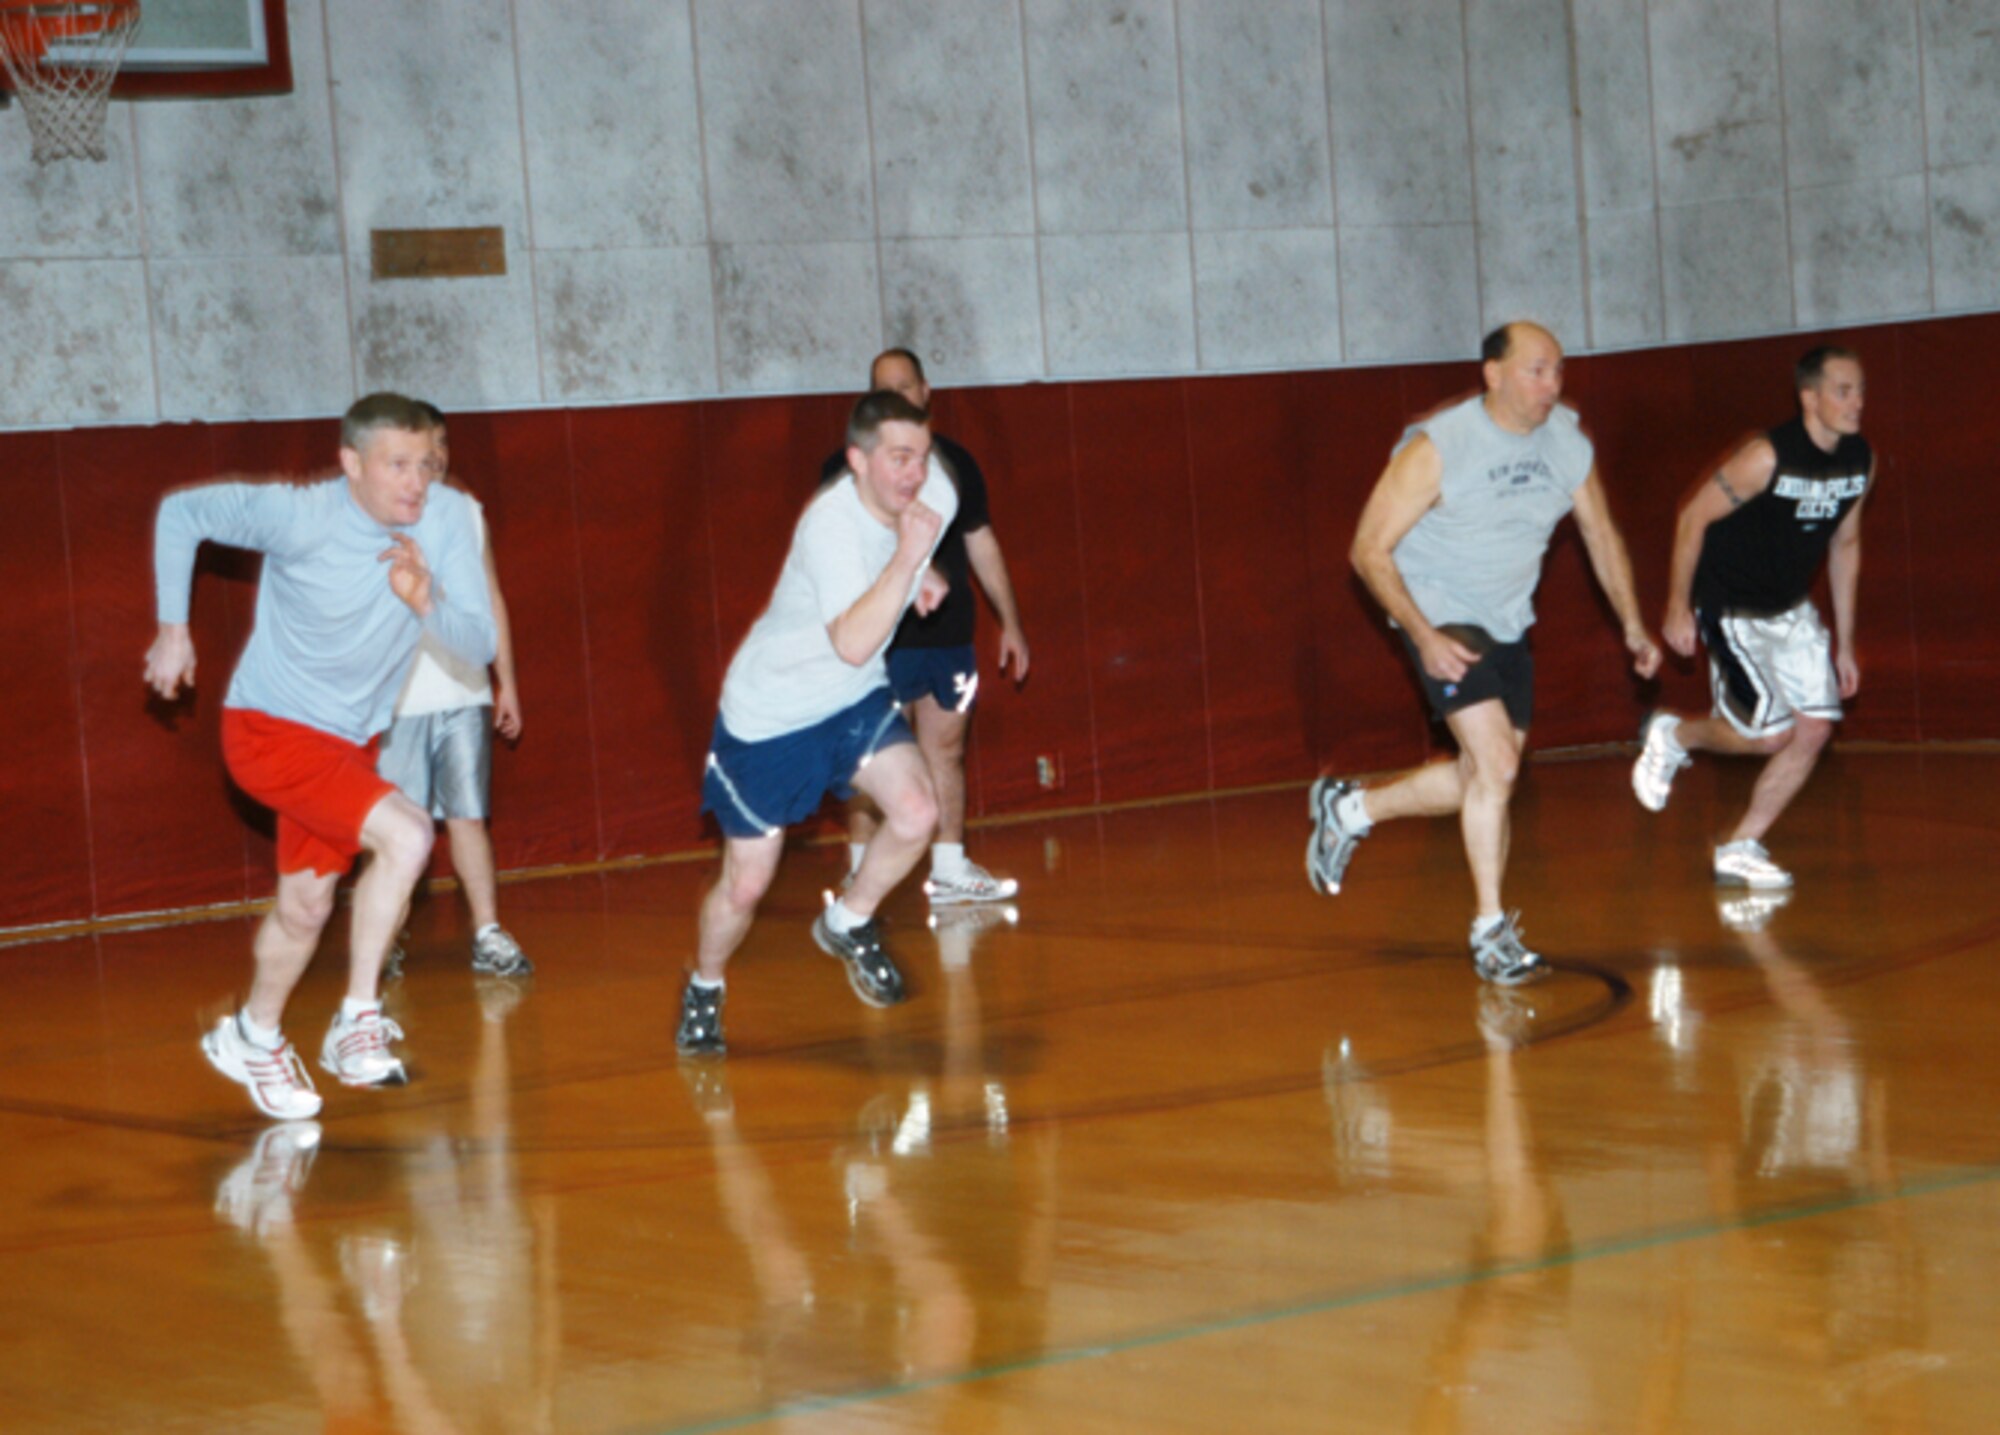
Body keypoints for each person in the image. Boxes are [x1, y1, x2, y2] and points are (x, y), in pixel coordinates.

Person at [147, 392, 495, 1119]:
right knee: (407, 832)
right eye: (396, 465)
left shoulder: (447, 519)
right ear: (350, 463)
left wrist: (427, 600)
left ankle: (254, 1033)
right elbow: (181, 514)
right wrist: (174, 629)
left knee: (306, 908)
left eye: (424, 465)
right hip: (268, 729)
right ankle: (355, 1021)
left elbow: (478, 648)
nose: (414, 482)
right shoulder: (300, 513)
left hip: (349, 743)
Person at [1307, 321, 1662, 984]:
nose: (1550, 385)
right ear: (1492, 375)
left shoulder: (1566, 444)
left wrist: (1634, 625)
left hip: (1507, 620)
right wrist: (1421, 631)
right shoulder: (1440, 448)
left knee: (1484, 777)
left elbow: (1601, 535)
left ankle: (1349, 810)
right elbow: (1366, 549)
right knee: (1497, 763)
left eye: (1558, 370)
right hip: (1440, 609)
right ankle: (1490, 930)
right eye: (1535, 370)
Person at [679, 389, 958, 1057]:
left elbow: (868, 637)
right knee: (746, 882)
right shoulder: (827, 524)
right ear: (857, 461)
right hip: (772, 715)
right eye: (898, 458)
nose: (915, 473)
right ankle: (705, 986)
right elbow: (854, 640)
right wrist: (905, 562)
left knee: (919, 810)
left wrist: (926, 570)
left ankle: (848, 919)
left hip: (852, 700)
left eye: (921, 455)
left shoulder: (929, 494)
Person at [1630, 346, 1872, 890]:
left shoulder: (1859, 461)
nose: (1857, 402)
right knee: (1769, 736)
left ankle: (1741, 845)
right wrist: (1676, 604)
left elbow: (1847, 544)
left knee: (1813, 730)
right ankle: (1675, 736)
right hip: (1732, 608)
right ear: (1809, 397)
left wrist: (1846, 644)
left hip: (1791, 611)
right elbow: (1692, 516)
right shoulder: (1767, 456)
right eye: (1843, 390)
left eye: (1860, 390)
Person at [819, 349, 1029, 907]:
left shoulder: (957, 465)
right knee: (873, 758)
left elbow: (981, 542)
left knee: (946, 749)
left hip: (948, 637)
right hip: (881, 642)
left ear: (925, 390)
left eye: (904, 385)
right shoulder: (849, 469)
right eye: (882, 388)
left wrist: (1010, 621)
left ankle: (950, 869)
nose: (895, 396)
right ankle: (859, 875)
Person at [375, 401, 532, 980]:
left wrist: (505, 681)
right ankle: (383, 933)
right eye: (420, 447)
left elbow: (492, 598)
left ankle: (487, 932)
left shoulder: (466, 511)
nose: (434, 455)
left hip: (463, 691)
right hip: (400, 700)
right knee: (402, 828)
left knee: (469, 817)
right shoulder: (373, 516)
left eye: (440, 443)